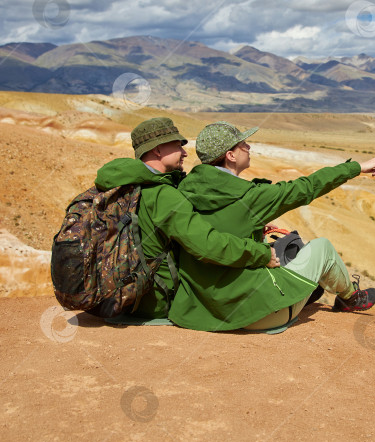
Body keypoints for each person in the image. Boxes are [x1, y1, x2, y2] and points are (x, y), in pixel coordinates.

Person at [169, 121, 375, 332]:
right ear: (231, 155)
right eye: (242, 144)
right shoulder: (252, 198)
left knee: (276, 247)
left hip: (199, 311)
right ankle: (350, 298)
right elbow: (307, 188)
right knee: (322, 248)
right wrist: (357, 167)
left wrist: (254, 226)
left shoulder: (182, 190)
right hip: (254, 315)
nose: (248, 147)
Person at [94, 117, 280, 319]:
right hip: (153, 302)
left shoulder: (122, 184)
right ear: (158, 150)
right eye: (177, 146)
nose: (184, 153)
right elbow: (208, 246)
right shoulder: (162, 194)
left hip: (115, 295)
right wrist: (260, 254)